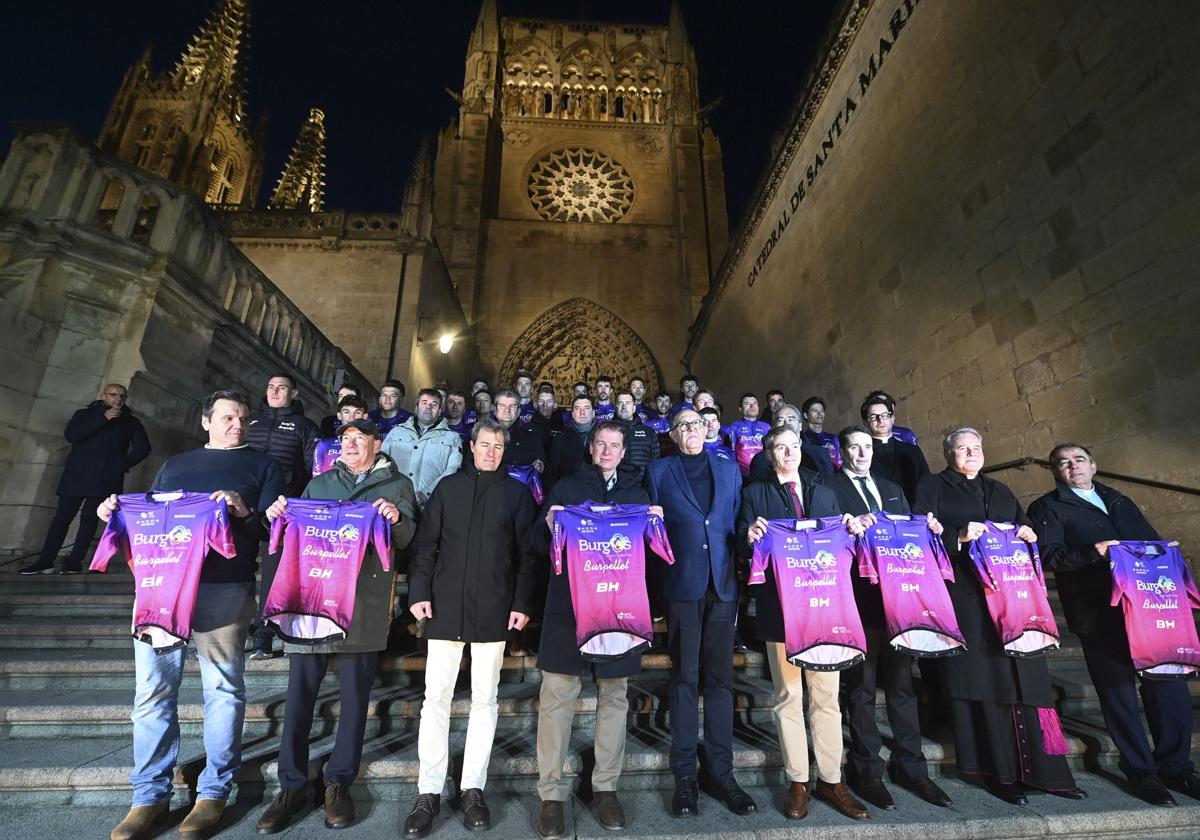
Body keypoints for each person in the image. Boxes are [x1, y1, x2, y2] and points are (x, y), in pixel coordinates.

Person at [102, 390, 283, 840]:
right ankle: (148, 795)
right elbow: (154, 517)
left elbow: (271, 530)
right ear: (206, 422)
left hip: (224, 588)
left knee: (222, 689)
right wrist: (115, 513)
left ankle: (214, 790)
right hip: (163, 588)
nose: (236, 425)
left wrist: (242, 509)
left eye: (242, 419)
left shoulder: (265, 466)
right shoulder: (177, 466)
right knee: (152, 692)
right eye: (227, 418)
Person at [256, 419, 417, 833]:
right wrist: (276, 514)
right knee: (299, 698)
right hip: (311, 601)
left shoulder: (398, 485)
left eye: (358, 438)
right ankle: (290, 785)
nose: (349, 444)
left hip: (364, 604)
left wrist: (396, 518)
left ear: (376, 443)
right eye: (344, 439)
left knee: (353, 700)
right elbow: (291, 532)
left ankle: (338, 783)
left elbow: (407, 538)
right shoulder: (320, 483)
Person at [913, 428, 1086, 804]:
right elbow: (917, 537)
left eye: (976, 448)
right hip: (967, 597)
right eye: (963, 448)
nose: (972, 453)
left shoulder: (1000, 490)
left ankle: (1047, 770)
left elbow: (1027, 531)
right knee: (987, 677)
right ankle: (999, 771)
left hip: (1014, 595)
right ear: (948, 454)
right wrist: (957, 537)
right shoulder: (932, 487)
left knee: (1028, 676)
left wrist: (1027, 532)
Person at [1029, 443, 1199, 806]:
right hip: (1099, 612)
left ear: (1093, 465)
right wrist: (1095, 551)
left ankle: (1176, 765)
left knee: (1169, 689)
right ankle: (1140, 770)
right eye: (1063, 463)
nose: (1072, 466)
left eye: (1078, 460)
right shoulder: (1048, 507)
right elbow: (1046, 557)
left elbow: (1150, 541)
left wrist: (1165, 550)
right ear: (1055, 472)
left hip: (1149, 609)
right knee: (1119, 694)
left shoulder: (1118, 499)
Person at [403, 419, 539, 837]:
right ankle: (428, 791)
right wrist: (418, 593)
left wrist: (520, 603)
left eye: (498, 446)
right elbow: (427, 545)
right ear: (472, 445)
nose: (491, 452)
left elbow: (527, 557)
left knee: (486, 700)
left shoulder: (517, 495)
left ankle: (472, 788)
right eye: (485, 444)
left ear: (504, 450)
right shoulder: (448, 488)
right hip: (443, 607)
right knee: (435, 700)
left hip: (494, 611)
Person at [532, 422, 662, 838]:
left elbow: (652, 557)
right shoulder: (567, 487)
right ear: (591, 448)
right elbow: (537, 542)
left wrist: (655, 526)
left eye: (615, 446)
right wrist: (550, 526)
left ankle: (605, 787)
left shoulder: (636, 495)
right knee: (556, 697)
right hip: (568, 608)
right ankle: (550, 794)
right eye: (601, 444)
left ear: (625, 452)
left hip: (617, 610)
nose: (607, 451)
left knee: (615, 696)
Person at [736, 426, 869, 821]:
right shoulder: (754, 493)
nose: (789, 453)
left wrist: (851, 529)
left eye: (794, 446)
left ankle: (831, 779)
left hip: (826, 607)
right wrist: (750, 535)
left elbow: (846, 545)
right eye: (780, 447)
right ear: (769, 452)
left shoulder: (824, 489)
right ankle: (798, 780)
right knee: (789, 697)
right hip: (781, 609)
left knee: (827, 697)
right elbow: (743, 545)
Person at [827, 426, 953, 810]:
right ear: (841, 452)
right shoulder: (829, 489)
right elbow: (826, 538)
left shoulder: (893, 488)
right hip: (859, 598)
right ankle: (866, 770)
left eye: (868, 446)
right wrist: (849, 526)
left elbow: (909, 535)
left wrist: (930, 529)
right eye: (855, 447)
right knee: (862, 687)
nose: (863, 453)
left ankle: (912, 769)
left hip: (900, 599)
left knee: (902, 685)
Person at [645, 409, 755, 817]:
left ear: (709, 429)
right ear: (672, 434)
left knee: (721, 680)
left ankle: (722, 773)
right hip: (681, 587)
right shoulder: (658, 471)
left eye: (697, 423)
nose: (692, 429)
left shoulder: (729, 471)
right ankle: (685, 777)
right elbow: (651, 535)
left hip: (723, 586)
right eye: (683, 425)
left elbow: (734, 524)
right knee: (685, 678)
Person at [22, 382, 151, 575]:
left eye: (122, 396)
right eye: (113, 395)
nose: (118, 399)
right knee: (61, 518)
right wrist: (103, 419)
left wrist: (119, 465)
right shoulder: (84, 415)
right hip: (77, 475)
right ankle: (45, 561)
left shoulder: (131, 422)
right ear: (103, 396)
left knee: (89, 520)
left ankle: (74, 562)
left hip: (105, 479)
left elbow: (143, 449)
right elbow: (73, 436)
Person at [247, 374, 320, 658]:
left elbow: (313, 470)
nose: (275, 391)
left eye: (282, 388)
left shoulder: (305, 426)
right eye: (271, 386)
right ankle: (235, 628)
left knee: (272, 573)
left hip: (279, 511)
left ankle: (264, 632)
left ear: (295, 393)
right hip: (241, 506)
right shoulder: (249, 420)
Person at [382, 388, 463, 510]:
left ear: (440, 411)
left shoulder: (452, 438)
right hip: (393, 503)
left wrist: (427, 493)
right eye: (424, 402)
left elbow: (451, 471)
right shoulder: (396, 432)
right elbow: (381, 463)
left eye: (434, 404)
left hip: (430, 507)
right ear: (416, 408)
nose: (428, 407)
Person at [861, 394, 928, 505]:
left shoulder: (913, 451)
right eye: (874, 417)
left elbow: (927, 485)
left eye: (885, 415)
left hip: (914, 513)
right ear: (866, 422)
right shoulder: (862, 455)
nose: (880, 420)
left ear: (892, 418)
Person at [747, 403, 833, 479]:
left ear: (800, 426)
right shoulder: (762, 459)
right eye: (780, 420)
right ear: (773, 427)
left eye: (791, 419)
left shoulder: (820, 454)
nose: (786, 423)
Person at [547, 394, 595, 491]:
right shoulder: (560, 437)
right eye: (577, 409)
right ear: (572, 414)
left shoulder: (603, 435)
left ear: (593, 413)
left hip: (596, 489)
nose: (582, 412)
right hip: (568, 490)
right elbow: (553, 471)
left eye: (586, 408)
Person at [312, 395, 370, 477]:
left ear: (365, 417)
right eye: (347, 412)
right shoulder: (324, 445)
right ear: (339, 415)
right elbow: (316, 480)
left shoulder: (372, 445)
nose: (352, 417)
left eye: (357, 412)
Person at [614, 388, 659, 482]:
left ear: (634, 408)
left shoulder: (649, 432)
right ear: (615, 406)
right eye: (620, 403)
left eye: (627, 403)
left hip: (643, 486)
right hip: (614, 487)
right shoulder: (605, 431)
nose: (624, 407)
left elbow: (656, 462)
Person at [494, 388, 545, 471]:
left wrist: (540, 464)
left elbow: (542, 462)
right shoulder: (483, 432)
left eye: (512, 406)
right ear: (495, 410)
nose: (507, 410)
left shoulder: (532, 432)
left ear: (518, 412)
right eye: (502, 406)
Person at [799, 396, 842, 470]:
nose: (820, 414)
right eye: (815, 411)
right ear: (805, 415)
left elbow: (840, 461)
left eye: (822, 411)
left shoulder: (833, 438)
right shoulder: (803, 440)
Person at [530, 383, 564, 452]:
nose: (545, 405)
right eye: (541, 401)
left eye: (549, 401)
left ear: (555, 405)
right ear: (535, 405)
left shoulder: (563, 428)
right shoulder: (528, 429)